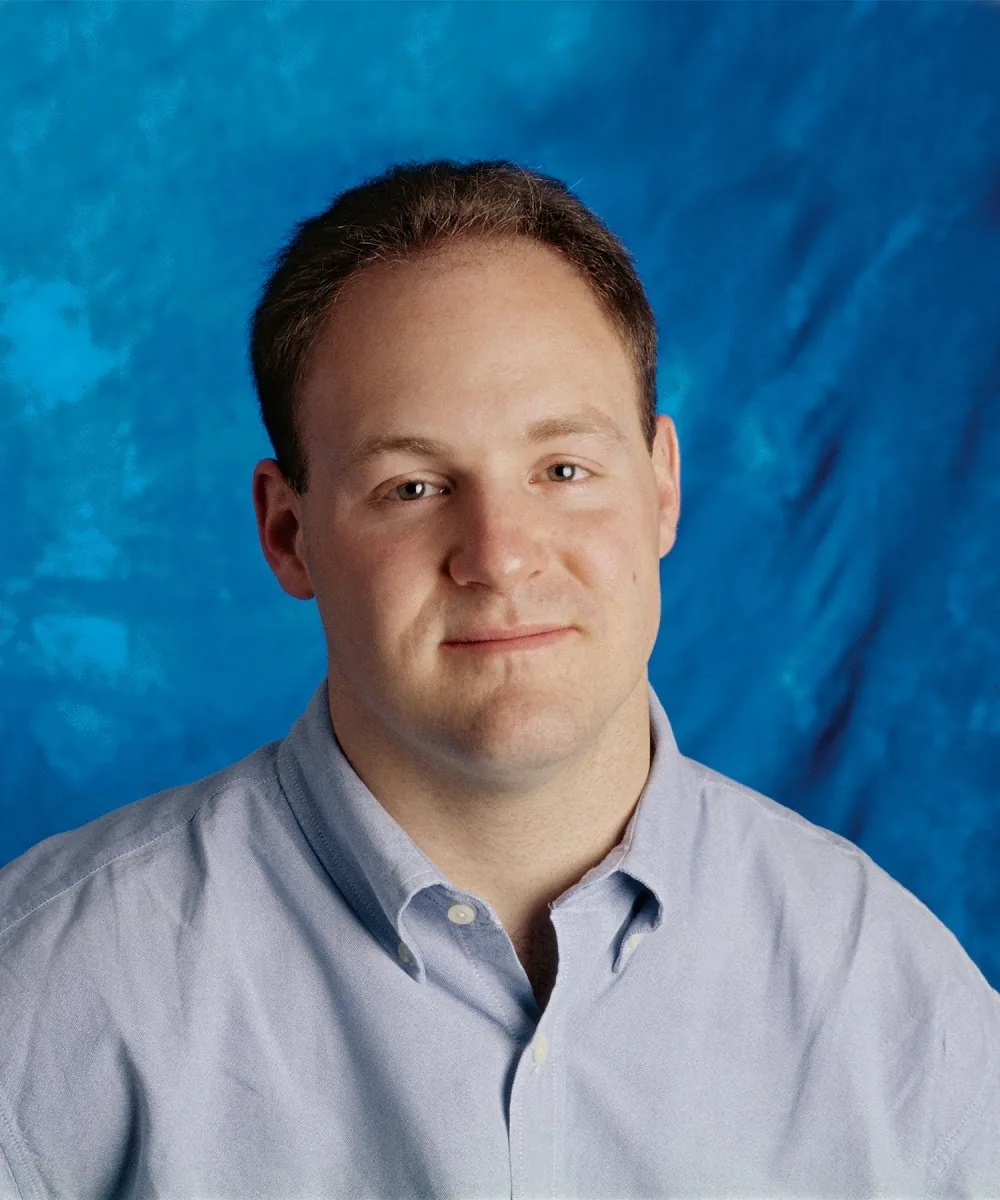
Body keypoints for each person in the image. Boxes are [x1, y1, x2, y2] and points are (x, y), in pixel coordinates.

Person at [1, 159, 997, 1200]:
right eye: (413, 486)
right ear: (286, 532)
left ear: (661, 488)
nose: (499, 552)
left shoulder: (892, 999)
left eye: (563, 470)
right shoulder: (43, 1005)